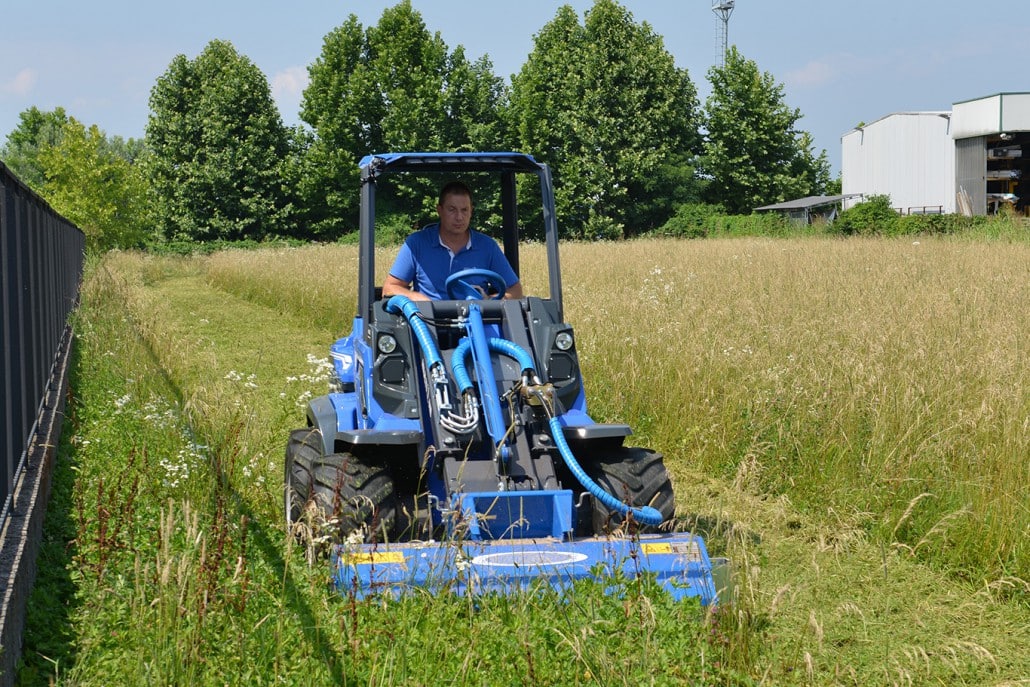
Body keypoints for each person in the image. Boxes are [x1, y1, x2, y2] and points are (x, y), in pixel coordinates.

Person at [382, 181, 524, 301]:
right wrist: (419, 300)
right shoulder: (417, 243)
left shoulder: (487, 246)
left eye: (464, 210)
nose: (459, 217)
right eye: (452, 210)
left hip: (477, 322)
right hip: (428, 322)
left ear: (471, 211)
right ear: (440, 210)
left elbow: (515, 290)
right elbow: (390, 288)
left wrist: (488, 303)